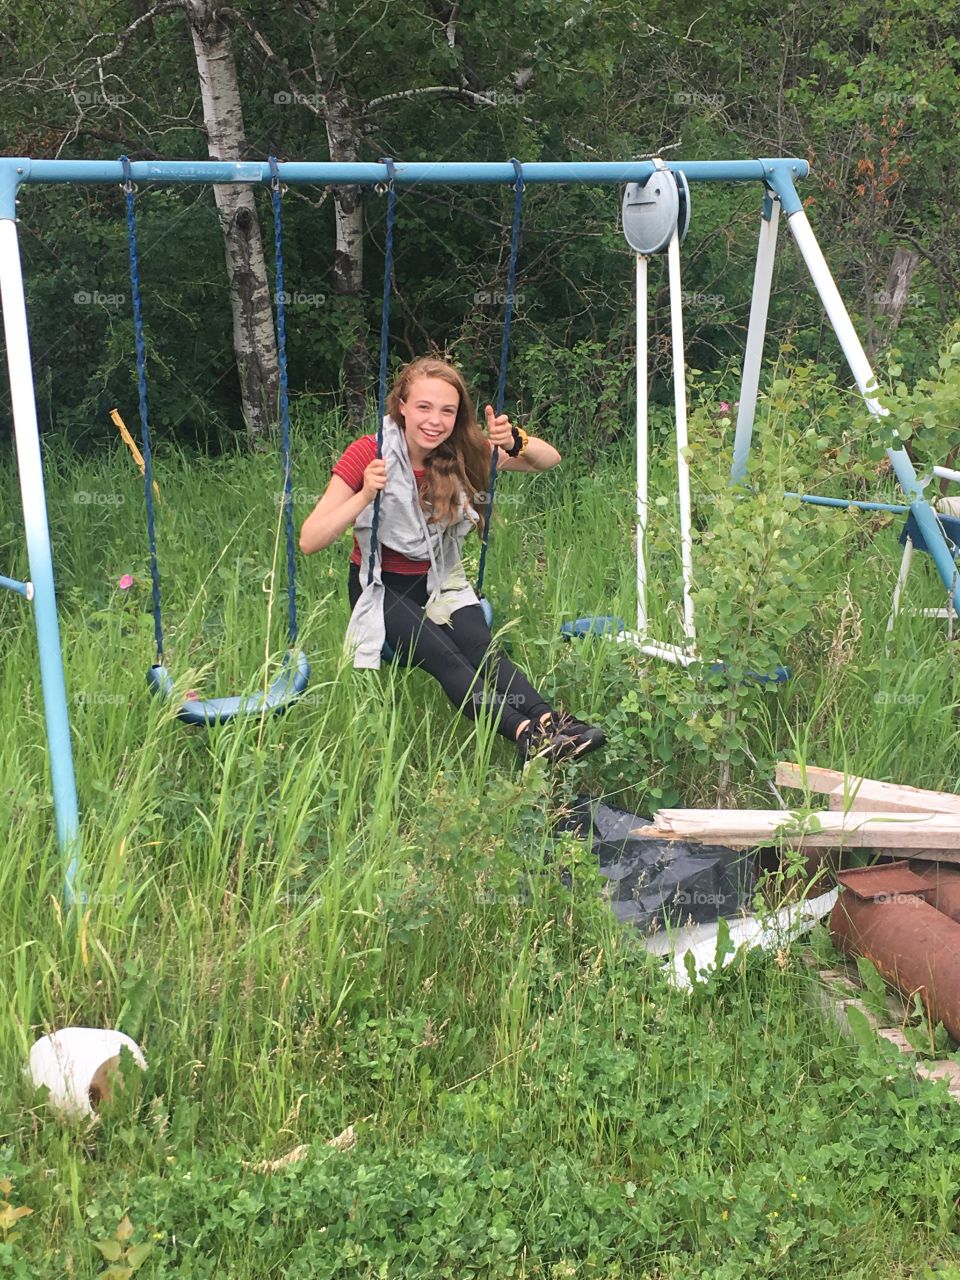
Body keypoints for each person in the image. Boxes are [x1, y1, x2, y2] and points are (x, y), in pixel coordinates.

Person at [299, 356, 605, 765]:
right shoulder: (370, 453)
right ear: (402, 406)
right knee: (449, 658)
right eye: (423, 407)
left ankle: (554, 725)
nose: (435, 421)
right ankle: (527, 736)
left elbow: (550, 460)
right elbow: (310, 539)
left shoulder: (462, 451)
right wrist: (364, 495)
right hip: (382, 587)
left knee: (485, 652)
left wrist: (515, 440)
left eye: (447, 410)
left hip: (441, 581)